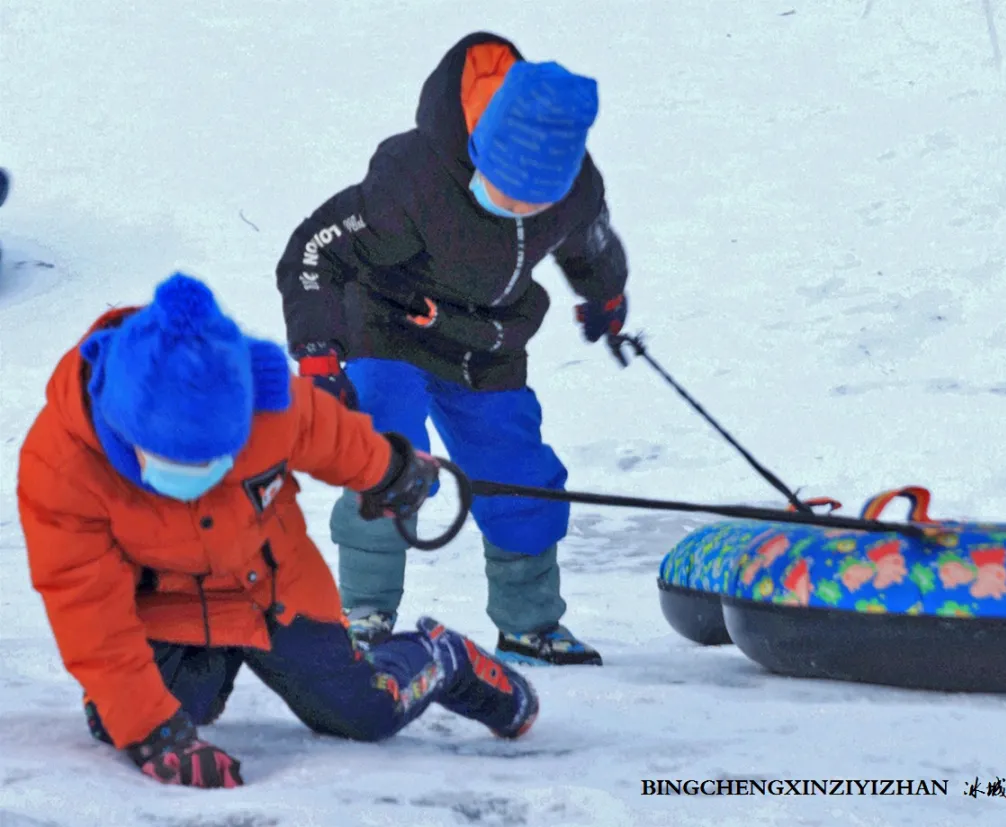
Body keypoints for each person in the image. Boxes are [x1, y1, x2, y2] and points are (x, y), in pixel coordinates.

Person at [16, 273, 539, 790]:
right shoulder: (62, 466)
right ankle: (205, 673)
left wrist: (389, 470)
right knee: (123, 722)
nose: (203, 478)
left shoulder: (260, 396)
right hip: (166, 605)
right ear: (124, 428)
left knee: (364, 714)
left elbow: (327, 433)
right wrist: (152, 732)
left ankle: (441, 657)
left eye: (218, 460)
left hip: (272, 587)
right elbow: (88, 612)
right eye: (180, 461)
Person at [274, 31, 629, 666]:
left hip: (486, 340)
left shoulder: (575, 187)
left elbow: (589, 243)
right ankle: (363, 612)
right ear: (480, 148)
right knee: (386, 453)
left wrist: (605, 297)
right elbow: (313, 250)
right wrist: (320, 356)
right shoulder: (412, 180)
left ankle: (529, 622)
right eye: (507, 188)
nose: (519, 206)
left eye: (535, 200)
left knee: (520, 469)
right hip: (390, 325)